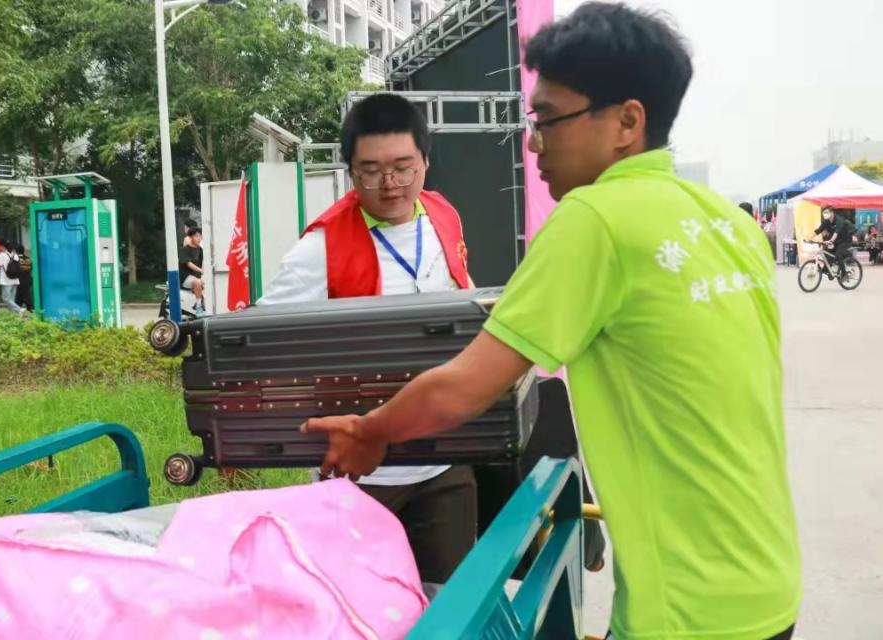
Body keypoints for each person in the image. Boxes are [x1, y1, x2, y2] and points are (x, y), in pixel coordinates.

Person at [303, 5, 801, 640]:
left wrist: (370, 430)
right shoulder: (730, 223)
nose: (533, 142)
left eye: (548, 120)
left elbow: (463, 388)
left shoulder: (594, 219)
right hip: (770, 581)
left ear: (627, 122)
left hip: (686, 610)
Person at [257, 93, 478, 585]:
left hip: (443, 465)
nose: (390, 184)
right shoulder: (320, 248)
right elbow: (261, 342)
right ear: (351, 173)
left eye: (403, 167)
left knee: (451, 601)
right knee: (359, 605)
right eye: (372, 172)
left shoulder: (443, 215)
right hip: (357, 477)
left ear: (425, 161)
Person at [812, 206, 856, 277]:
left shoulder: (839, 220)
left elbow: (836, 232)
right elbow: (818, 230)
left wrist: (831, 240)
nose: (825, 214)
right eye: (824, 213)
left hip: (845, 240)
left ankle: (844, 273)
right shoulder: (826, 221)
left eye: (826, 212)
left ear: (832, 213)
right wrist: (809, 237)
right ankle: (827, 269)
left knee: (838, 255)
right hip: (836, 240)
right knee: (828, 253)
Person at [180, 227, 205, 315]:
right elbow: (188, 263)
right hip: (186, 278)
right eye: (196, 236)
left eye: (200, 236)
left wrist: (204, 271)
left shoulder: (200, 249)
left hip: (197, 276)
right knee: (197, 282)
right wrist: (200, 270)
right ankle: (198, 306)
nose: (199, 238)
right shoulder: (184, 250)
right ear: (190, 237)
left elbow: (202, 262)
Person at [0, 241, 24, 315]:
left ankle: (19, 309)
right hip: (15, 280)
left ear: (4, 247)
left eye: (1, 246)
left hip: (6, 280)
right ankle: (14, 316)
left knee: (5, 298)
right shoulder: (15, 255)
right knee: (11, 300)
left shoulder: (2, 255)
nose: (0, 248)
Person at [13, 244, 34, 311]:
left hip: (20, 281)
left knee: (20, 298)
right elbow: (29, 269)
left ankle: (23, 309)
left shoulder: (17, 259)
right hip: (27, 281)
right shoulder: (27, 258)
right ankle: (29, 309)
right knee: (26, 296)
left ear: (16, 251)